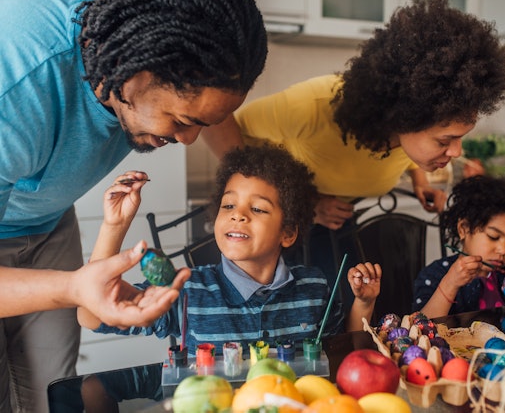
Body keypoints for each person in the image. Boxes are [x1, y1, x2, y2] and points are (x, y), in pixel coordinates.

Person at [0, 0, 267, 410]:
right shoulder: (15, 89)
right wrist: (73, 286)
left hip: (47, 221)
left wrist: (257, 176)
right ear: (136, 71)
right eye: (181, 121)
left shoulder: (160, 44)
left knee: (52, 394)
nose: (187, 139)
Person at [203, 0, 505, 312]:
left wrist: (420, 178)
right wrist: (306, 205)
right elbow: (217, 120)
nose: (456, 151)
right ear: (403, 119)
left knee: (350, 313)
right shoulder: (313, 107)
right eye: (445, 141)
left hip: (342, 221)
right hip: (284, 224)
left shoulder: (410, 137)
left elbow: (412, 148)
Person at [78, 145, 382, 357]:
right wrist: (114, 225)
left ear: (288, 233)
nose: (238, 215)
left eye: (259, 209)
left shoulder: (313, 287)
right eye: (229, 205)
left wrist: (364, 304)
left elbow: (343, 349)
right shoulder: (187, 291)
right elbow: (91, 315)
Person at [411, 176, 505, 318]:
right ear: (463, 229)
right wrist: (449, 284)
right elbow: (420, 327)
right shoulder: (434, 275)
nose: (503, 250)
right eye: (493, 237)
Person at [0, 241, 189, 323]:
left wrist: (115, 223)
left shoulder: (187, 291)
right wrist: (115, 225)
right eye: (221, 205)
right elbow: (90, 318)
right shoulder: (191, 291)